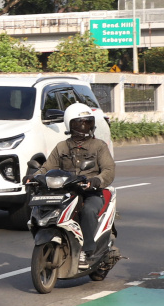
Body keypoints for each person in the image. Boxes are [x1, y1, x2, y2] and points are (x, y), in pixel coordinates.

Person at [30, 102, 115, 266]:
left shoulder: (99, 146)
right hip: (65, 191)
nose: (85, 127)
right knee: (43, 207)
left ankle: (87, 251)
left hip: (90, 191)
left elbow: (108, 169)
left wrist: (96, 180)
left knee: (88, 210)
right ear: (70, 124)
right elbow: (46, 167)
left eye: (88, 122)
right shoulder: (62, 147)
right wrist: (34, 177)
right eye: (80, 123)